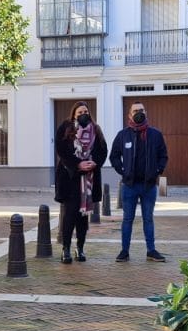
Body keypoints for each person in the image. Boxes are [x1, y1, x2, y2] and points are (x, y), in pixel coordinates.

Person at [109, 101, 168, 262]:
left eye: (141, 110)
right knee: (128, 219)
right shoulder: (123, 135)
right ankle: (124, 251)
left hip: (149, 186)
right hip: (129, 186)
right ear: (129, 115)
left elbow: (163, 155)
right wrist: (122, 170)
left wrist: (158, 170)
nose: (138, 113)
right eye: (135, 110)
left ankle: (151, 251)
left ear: (146, 113)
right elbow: (114, 156)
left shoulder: (155, 134)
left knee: (148, 218)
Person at [54, 101, 107, 263]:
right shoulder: (66, 128)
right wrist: (78, 164)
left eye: (85, 111)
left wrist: (94, 162)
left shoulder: (96, 130)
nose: (83, 114)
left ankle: (80, 248)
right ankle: (66, 249)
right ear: (74, 114)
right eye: (79, 112)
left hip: (88, 180)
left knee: (83, 218)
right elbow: (61, 150)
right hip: (70, 179)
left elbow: (103, 150)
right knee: (69, 216)